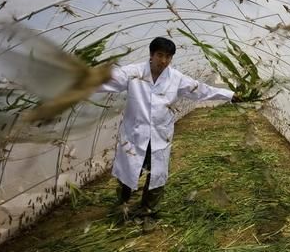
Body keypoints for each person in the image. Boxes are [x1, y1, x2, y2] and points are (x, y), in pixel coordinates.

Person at [97, 37, 238, 230]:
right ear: (152, 55)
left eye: (168, 57)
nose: (163, 61)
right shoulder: (133, 73)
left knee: (156, 176)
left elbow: (201, 90)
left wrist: (230, 95)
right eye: (160, 55)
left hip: (159, 137)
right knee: (128, 174)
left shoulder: (176, 78)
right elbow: (105, 80)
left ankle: (148, 212)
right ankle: (122, 206)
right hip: (134, 136)